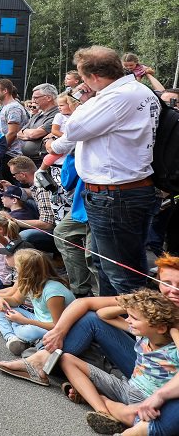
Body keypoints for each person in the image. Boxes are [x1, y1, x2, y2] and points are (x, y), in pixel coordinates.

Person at [47, 46, 160, 296]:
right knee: (105, 265)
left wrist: (79, 100)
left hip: (116, 194)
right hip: (119, 191)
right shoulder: (136, 91)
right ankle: (115, 325)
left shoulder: (117, 98)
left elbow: (74, 128)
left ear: (93, 77)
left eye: (81, 77)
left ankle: (135, 332)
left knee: (123, 274)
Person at [59, 290, 179, 435]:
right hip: (126, 387)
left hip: (146, 402)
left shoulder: (173, 350)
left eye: (134, 318)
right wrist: (130, 305)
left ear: (160, 328)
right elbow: (102, 314)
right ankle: (102, 411)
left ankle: (96, 398)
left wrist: (173, 330)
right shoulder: (142, 334)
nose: (128, 320)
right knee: (66, 359)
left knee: (144, 421)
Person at [0, 247, 75, 355]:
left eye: (17, 267)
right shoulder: (29, 281)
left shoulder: (53, 292)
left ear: (26, 271)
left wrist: (24, 320)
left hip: (54, 328)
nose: (15, 270)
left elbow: (57, 326)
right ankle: (12, 337)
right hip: (37, 319)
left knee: (26, 332)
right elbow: (16, 300)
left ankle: (4, 323)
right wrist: (2, 299)